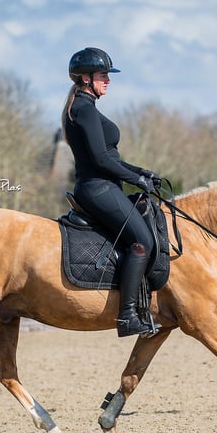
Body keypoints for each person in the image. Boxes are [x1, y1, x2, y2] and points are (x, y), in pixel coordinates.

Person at [61, 47, 161, 337]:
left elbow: (110, 158)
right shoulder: (83, 109)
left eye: (108, 75)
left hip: (103, 185)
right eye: (103, 75)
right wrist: (136, 180)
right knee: (141, 240)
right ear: (85, 78)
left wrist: (141, 172)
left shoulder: (85, 107)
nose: (108, 80)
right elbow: (101, 162)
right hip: (97, 188)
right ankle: (127, 316)